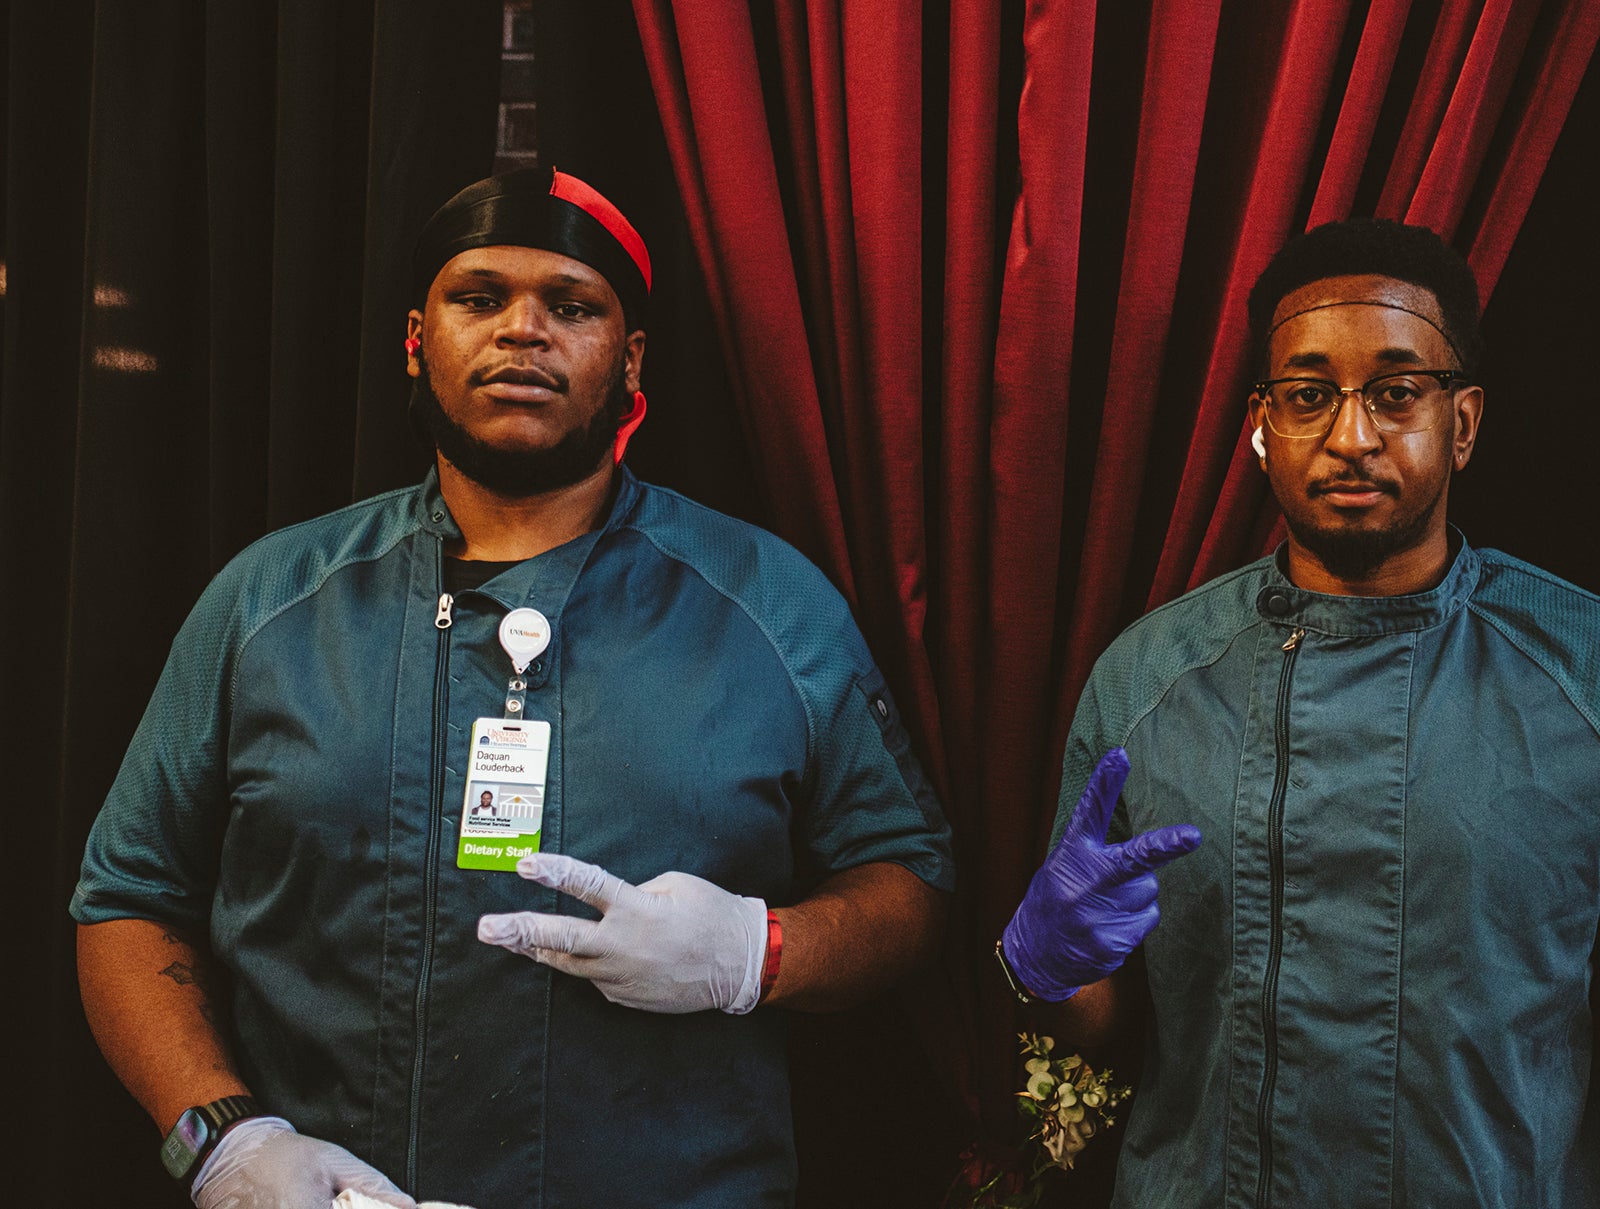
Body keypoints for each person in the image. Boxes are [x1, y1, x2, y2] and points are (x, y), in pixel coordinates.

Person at [72, 167, 954, 1209]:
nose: (523, 329)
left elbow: (908, 878)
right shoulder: (269, 601)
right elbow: (128, 898)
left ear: (630, 360)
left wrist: (754, 952)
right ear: (417, 339)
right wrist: (221, 1140)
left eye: (571, 306)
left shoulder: (768, 604)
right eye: (479, 297)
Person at [998, 217, 1599, 1207]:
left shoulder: (1578, 672)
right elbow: (1098, 1027)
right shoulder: (1148, 679)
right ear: (1261, 425)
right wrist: (1044, 971)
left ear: (1463, 422)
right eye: (1309, 395)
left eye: (1396, 391)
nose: (1350, 437)